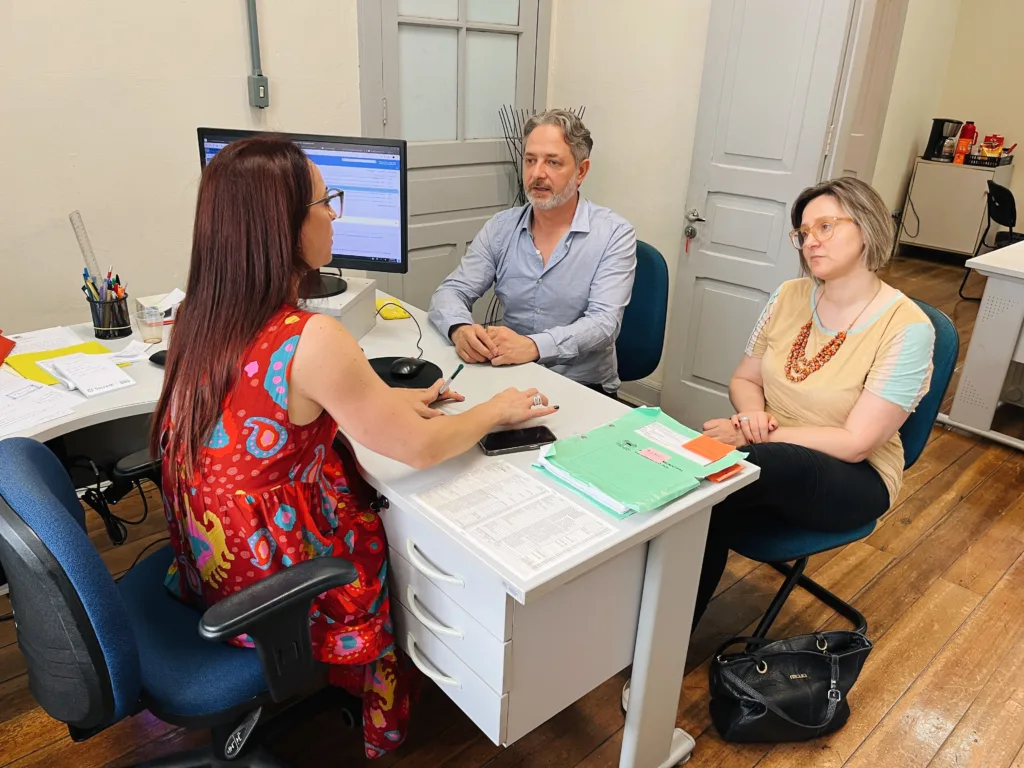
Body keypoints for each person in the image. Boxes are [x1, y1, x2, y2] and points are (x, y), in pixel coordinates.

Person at [151, 136, 557, 758]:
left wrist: (385, 406)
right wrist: (492, 410)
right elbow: (420, 449)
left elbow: (280, 416)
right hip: (277, 572)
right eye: (324, 202)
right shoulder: (312, 336)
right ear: (283, 228)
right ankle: (385, 700)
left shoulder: (198, 315)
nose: (334, 215)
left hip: (216, 560)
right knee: (397, 525)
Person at [694, 176, 936, 627]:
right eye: (803, 233)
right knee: (702, 490)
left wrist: (759, 435)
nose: (810, 242)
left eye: (825, 227)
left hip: (854, 474)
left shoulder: (909, 327)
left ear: (866, 228)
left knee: (715, 487)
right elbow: (745, 378)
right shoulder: (788, 295)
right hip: (766, 448)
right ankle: (646, 622)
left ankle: (662, 647)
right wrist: (751, 416)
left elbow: (856, 442)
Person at [428, 109, 637, 397]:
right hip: (512, 377)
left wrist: (533, 346)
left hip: (583, 387)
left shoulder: (614, 233)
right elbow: (451, 291)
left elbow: (603, 325)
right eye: (530, 160)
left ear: (581, 171)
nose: (537, 173)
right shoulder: (501, 228)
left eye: (553, 162)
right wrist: (460, 329)